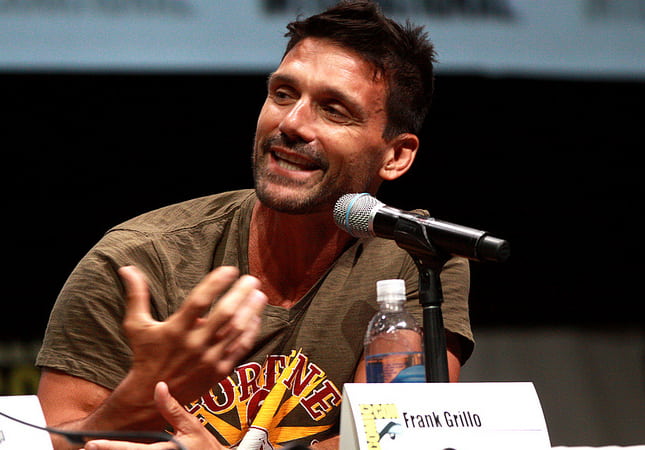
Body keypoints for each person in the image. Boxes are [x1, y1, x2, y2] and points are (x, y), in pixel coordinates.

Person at [36, 1, 474, 449]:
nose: (291, 123)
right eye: (283, 94)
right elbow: (49, 443)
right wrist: (142, 394)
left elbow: (394, 438)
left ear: (396, 155)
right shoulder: (139, 260)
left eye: (334, 109)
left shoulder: (418, 256)